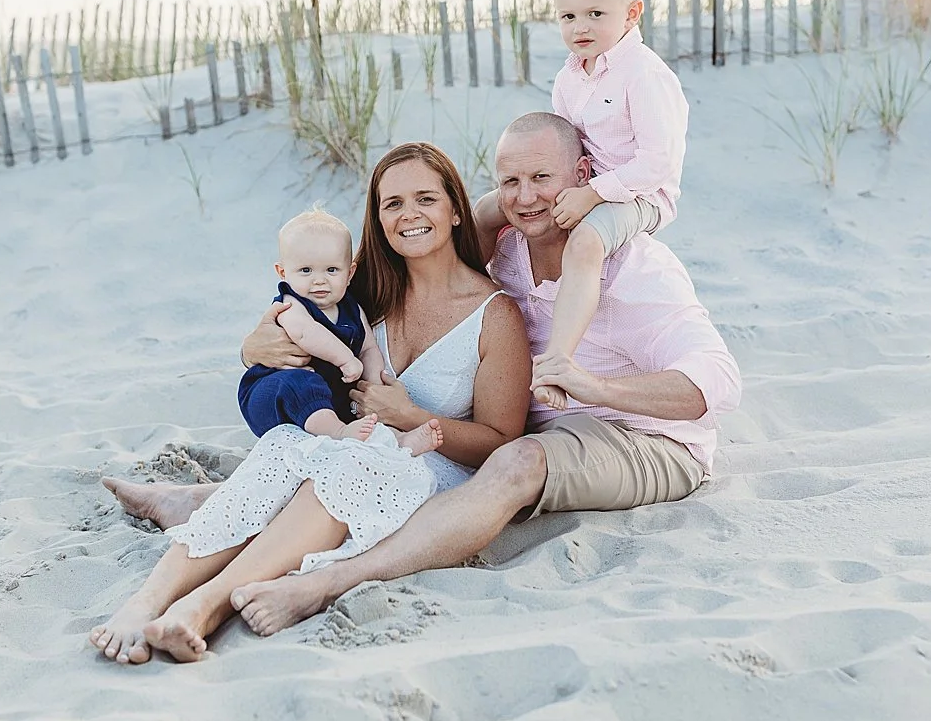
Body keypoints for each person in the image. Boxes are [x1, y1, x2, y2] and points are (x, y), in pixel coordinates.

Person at [223, 113, 742, 639]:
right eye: (510, 182)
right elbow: (392, 252)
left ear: (584, 176)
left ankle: (333, 581)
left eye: (543, 178)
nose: (526, 197)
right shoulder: (509, 249)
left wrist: (589, 385)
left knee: (513, 461)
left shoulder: (637, 270)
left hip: (647, 439)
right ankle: (212, 506)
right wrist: (255, 345)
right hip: (545, 432)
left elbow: (717, 382)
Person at [87, 143, 531, 664]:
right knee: (283, 444)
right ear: (378, 217)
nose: (409, 214)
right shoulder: (363, 285)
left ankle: (203, 607)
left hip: (430, 467)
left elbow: (502, 443)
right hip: (349, 443)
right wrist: (254, 346)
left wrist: (412, 417)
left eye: (426, 199)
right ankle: (145, 602)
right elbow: (280, 321)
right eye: (392, 204)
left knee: (348, 463)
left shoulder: (495, 315)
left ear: (456, 209)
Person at [474, 0, 687, 412]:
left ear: (632, 13)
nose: (580, 28)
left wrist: (591, 195)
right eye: (568, 16)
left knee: (586, 241)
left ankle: (557, 360)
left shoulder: (645, 75)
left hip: (641, 194)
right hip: (590, 183)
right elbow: (564, 144)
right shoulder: (569, 78)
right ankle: (464, 301)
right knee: (492, 207)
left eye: (595, 14)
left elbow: (658, 162)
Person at [238, 207, 444, 454]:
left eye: (331, 270)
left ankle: (398, 441)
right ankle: (338, 433)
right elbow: (306, 333)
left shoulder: (352, 308)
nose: (319, 280)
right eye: (305, 270)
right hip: (274, 395)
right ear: (283, 272)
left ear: (350, 273)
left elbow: (368, 348)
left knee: (364, 413)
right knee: (300, 381)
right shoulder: (291, 304)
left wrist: (375, 384)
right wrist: (346, 359)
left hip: (328, 399)